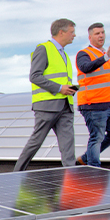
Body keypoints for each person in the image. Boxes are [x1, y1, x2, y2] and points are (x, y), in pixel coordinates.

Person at [14, 19, 78, 172]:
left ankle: (72, 179)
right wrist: (59, 88)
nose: (74, 35)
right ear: (61, 32)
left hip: (65, 106)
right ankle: (16, 173)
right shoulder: (43, 49)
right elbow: (35, 76)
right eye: (72, 32)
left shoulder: (64, 55)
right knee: (36, 142)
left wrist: (68, 89)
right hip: (47, 106)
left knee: (68, 147)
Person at [75, 23, 110, 167]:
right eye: (97, 33)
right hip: (94, 104)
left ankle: (85, 158)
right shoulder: (84, 53)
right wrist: (106, 57)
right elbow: (85, 67)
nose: (101, 35)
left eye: (102, 32)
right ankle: (94, 169)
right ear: (90, 37)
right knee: (97, 137)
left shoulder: (104, 56)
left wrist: (106, 57)